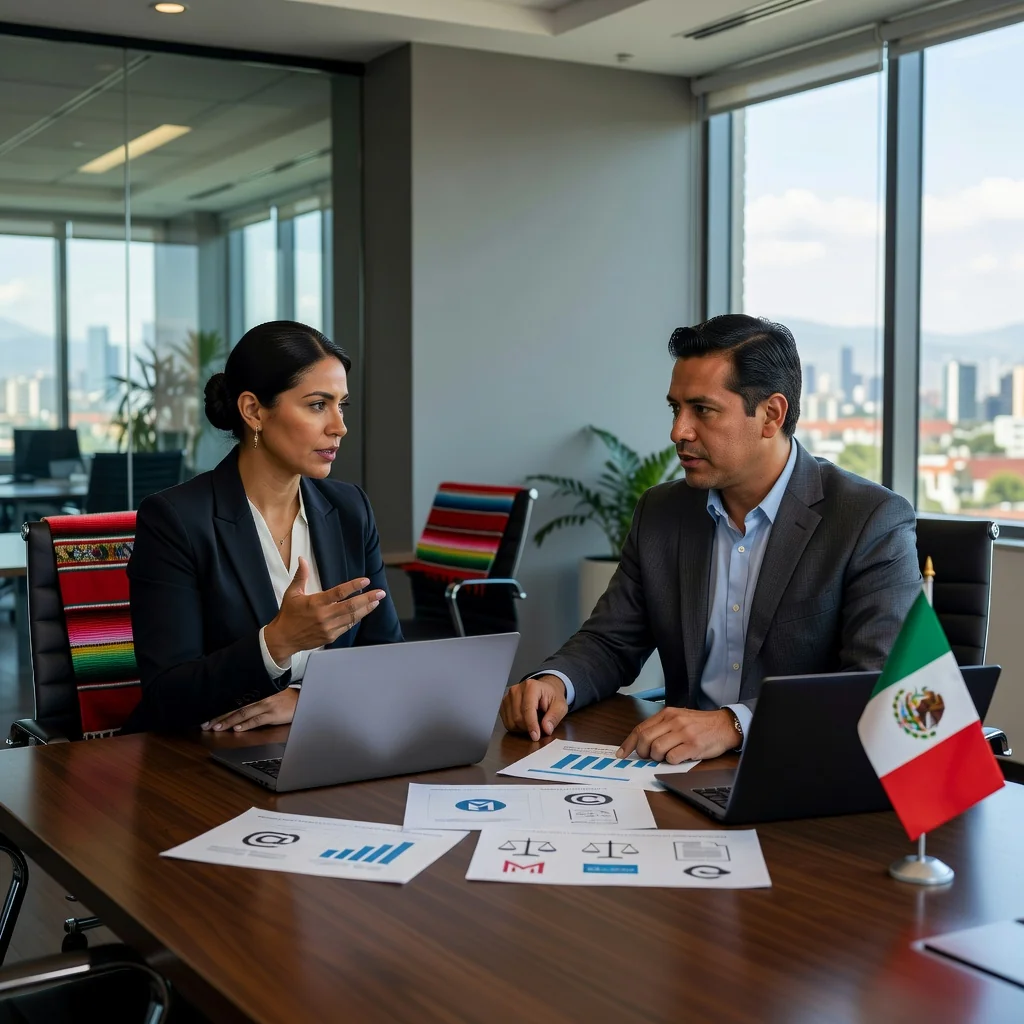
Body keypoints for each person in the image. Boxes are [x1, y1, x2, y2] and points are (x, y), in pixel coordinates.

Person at [500, 314, 921, 763]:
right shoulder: (662, 513)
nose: (678, 432)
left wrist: (734, 723)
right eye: (675, 408)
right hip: (679, 770)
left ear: (770, 415)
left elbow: (879, 685)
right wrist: (554, 683)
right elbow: (611, 640)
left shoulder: (867, 519)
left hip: (799, 770)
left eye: (702, 409)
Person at [124, 321, 401, 733]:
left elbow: (387, 661)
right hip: (199, 763)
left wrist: (305, 700)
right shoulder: (176, 520)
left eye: (341, 405)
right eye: (317, 404)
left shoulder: (349, 509)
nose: (339, 426)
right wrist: (277, 644)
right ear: (253, 410)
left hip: (323, 741)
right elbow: (167, 696)